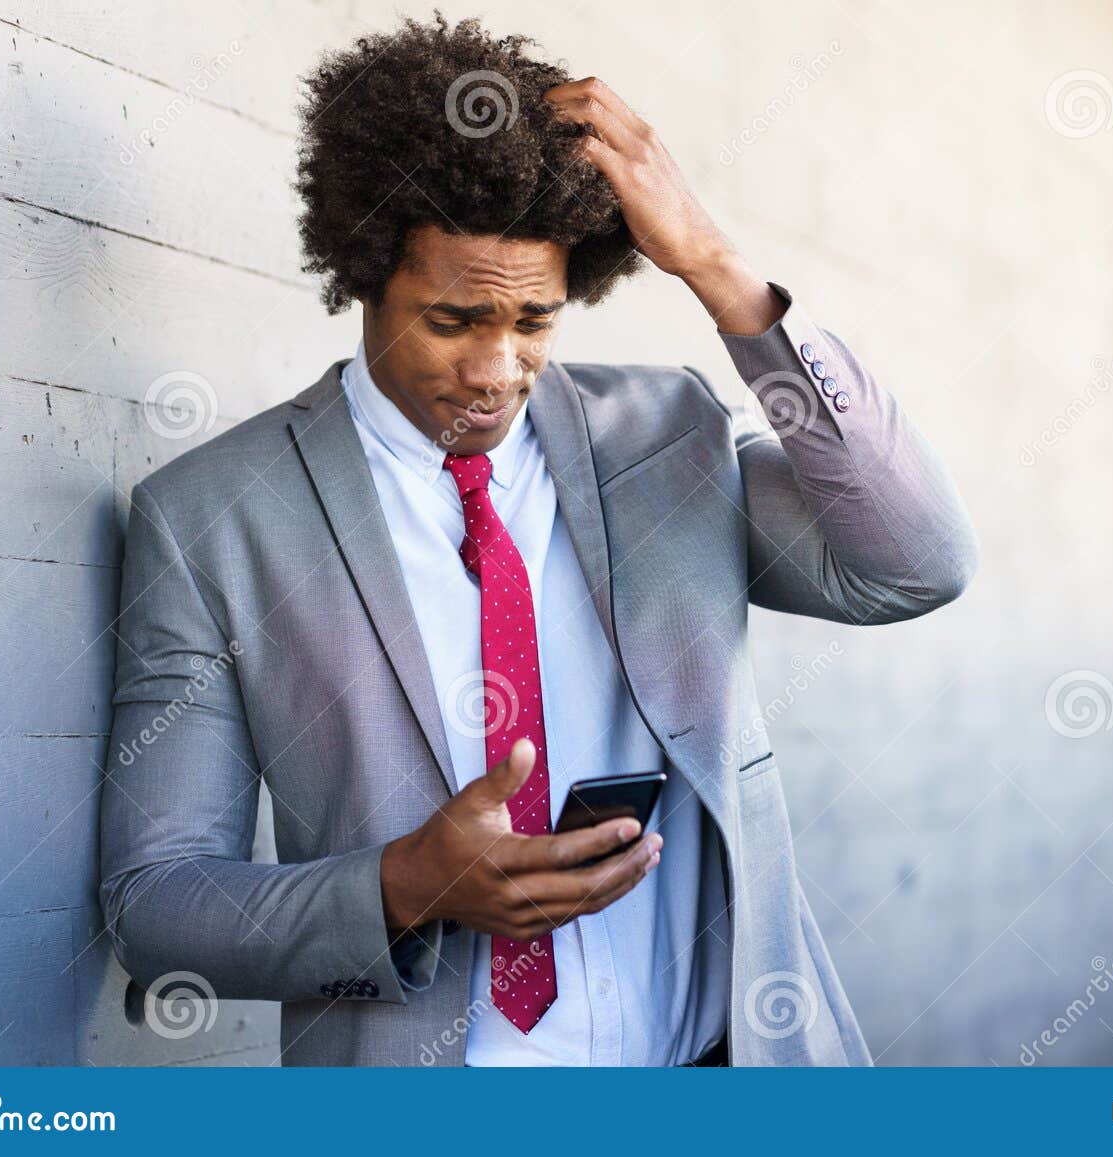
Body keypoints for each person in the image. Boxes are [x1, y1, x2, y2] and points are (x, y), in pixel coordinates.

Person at [98, 11, 978, 1067]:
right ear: (364, 275)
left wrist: (719, 272)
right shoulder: (213, 519)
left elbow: (912, 563)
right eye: (453, 319)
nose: (495, 369)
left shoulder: (669, 440)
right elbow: (156, 904)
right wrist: (406, 884)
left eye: (534, 322)